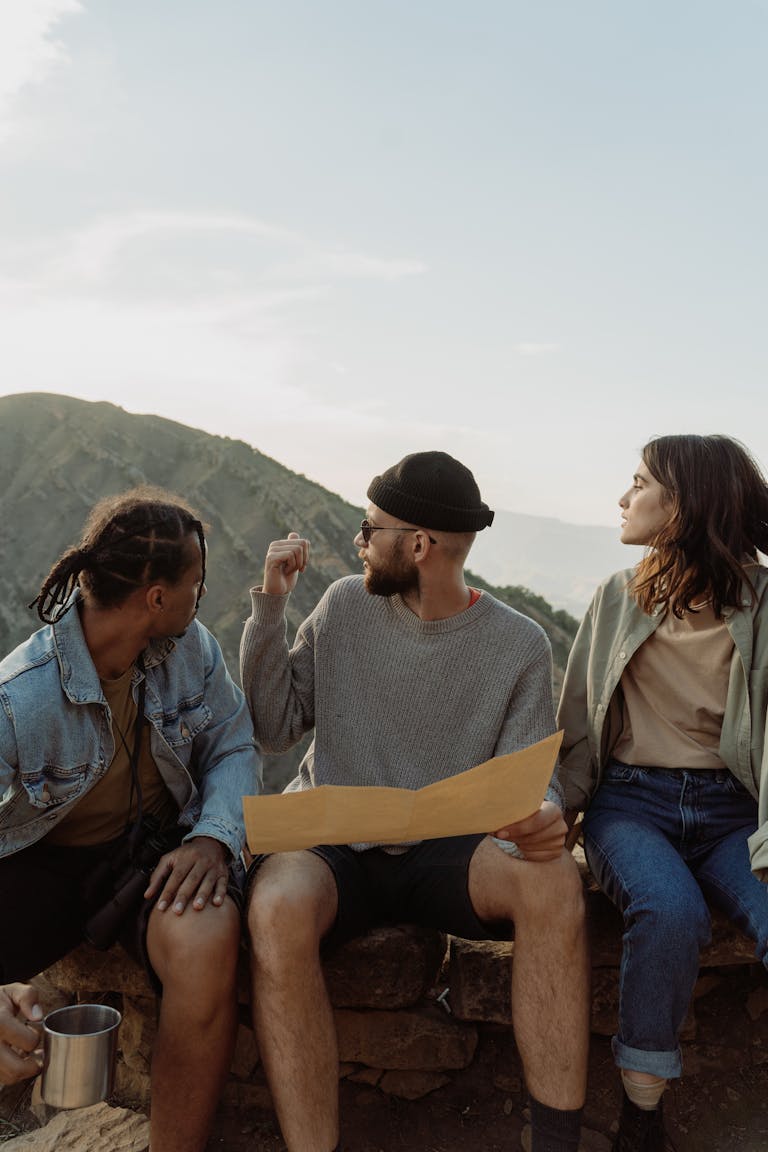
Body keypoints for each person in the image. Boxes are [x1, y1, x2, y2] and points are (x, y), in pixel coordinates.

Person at [240, 451, 589, 1152]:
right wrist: (270, 609)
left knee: (554, 884)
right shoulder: (342, 607)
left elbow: (530, 776)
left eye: (369, 529)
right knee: (275, 907)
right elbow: (276, 728)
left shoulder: (517, 644)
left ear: (420, 545)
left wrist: (542, 814)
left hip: (448, 854)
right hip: (334, 842)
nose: (358, 542)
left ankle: (557, 1142)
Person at [0, 488, 262, 1152]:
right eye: (195, 585)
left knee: (207, 941)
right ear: (155, 597)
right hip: (45, 865)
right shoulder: (18, 700)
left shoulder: (189, 649)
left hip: (151, 853)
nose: (202, 598)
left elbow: (234, 742)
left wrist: (212, 838)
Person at [557, 434, 768, 1152]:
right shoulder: (618, 597)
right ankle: (641, 1113)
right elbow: (578, 720)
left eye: (640, 483)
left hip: (734, 809)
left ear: (684, 506)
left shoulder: (764, 604)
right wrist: (560, 806)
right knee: (669, 909)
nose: (624, 497)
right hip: (631, 804)